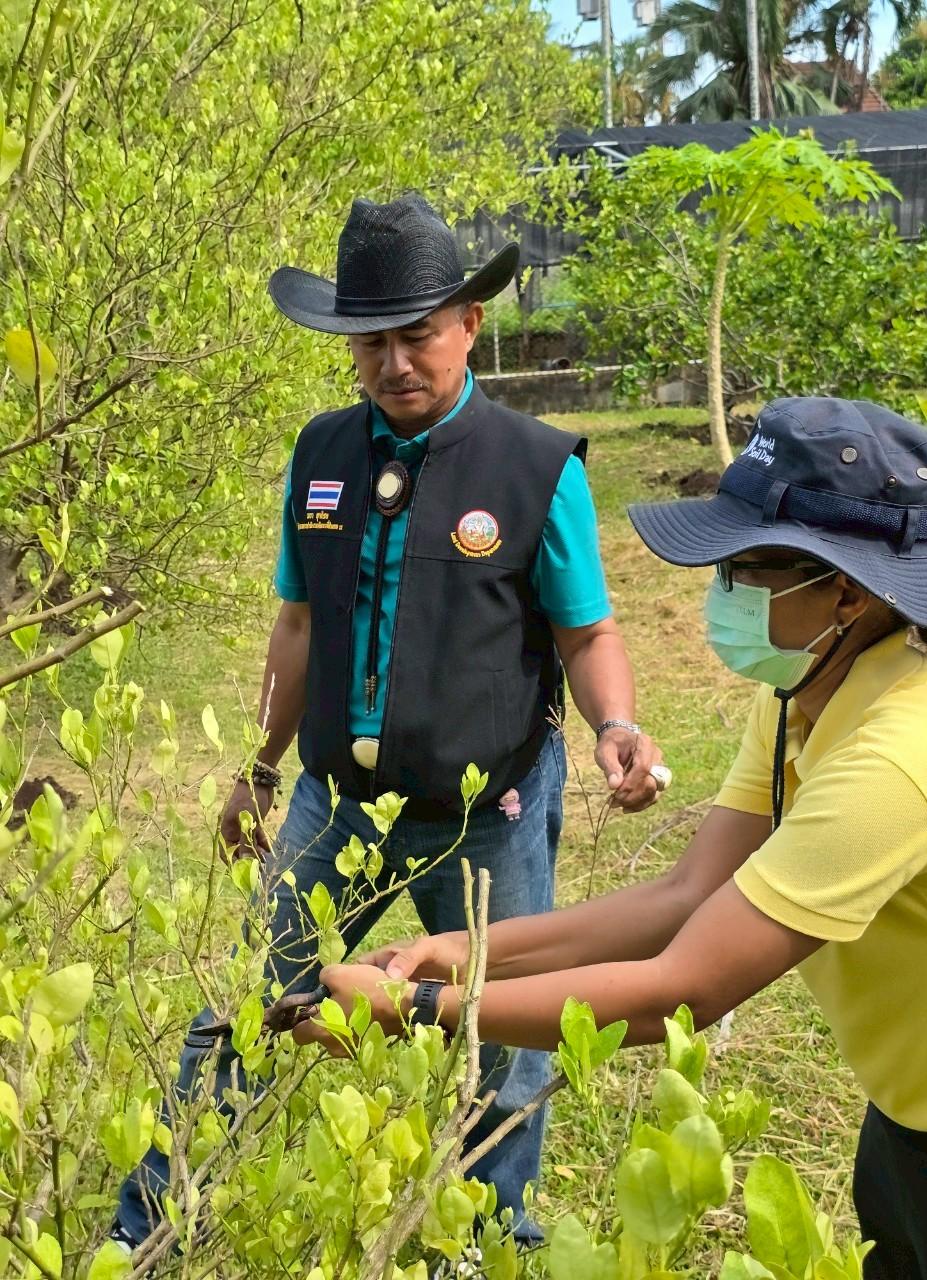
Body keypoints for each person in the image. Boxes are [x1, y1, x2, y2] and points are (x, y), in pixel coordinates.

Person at [111, 192, 665, 1253]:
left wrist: (616, 725)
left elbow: (588, 633)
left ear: (469, 324)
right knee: (243, 1009)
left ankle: (483, 1239)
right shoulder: (321, 455)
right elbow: (297, 624)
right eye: (371, 341)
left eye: (418, 334)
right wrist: (259, 769)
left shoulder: (537, 467)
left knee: (504, 1041)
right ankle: (155, 1227)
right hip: (335, 803)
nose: (396, 361)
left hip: (486, 810)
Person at [301, 398, 927, 1280]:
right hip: (911, 1116)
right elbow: (680, 900)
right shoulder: (808, 699)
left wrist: (416, 1014)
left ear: (844, 588)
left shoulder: (897, 760)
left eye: (744, 567)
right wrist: (463, 952)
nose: (718, 588)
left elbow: (677, 993)